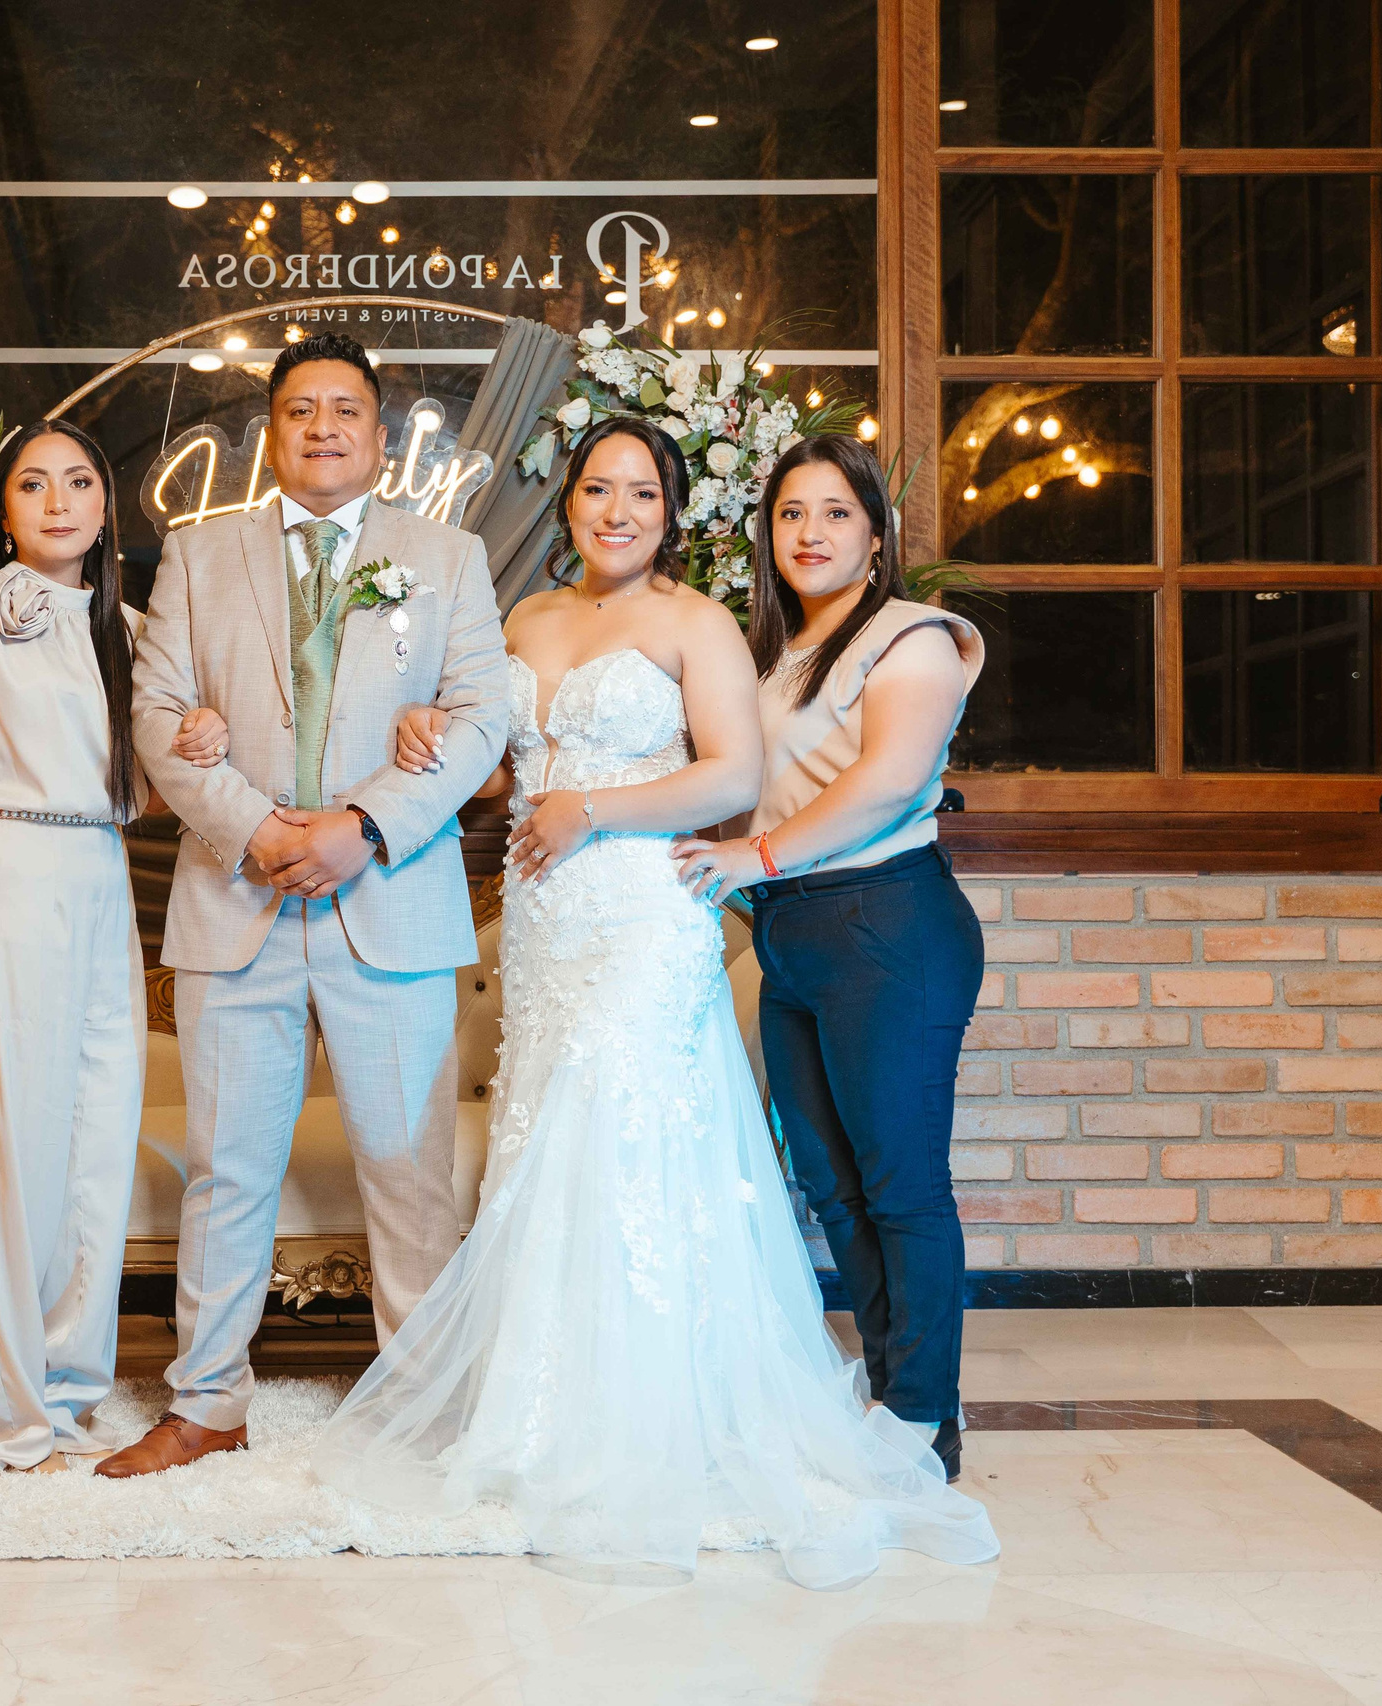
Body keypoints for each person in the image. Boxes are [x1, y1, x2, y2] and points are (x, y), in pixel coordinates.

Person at [308, 416, 999, 1581]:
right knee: (758, 1167)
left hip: (689, 909)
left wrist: (616, 817)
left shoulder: (735, 625)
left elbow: (740, 777)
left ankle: (912, 1411)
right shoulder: (546, 621)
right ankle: (557, 1401)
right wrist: (426, 725)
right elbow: (501, 765)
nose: (615, 508)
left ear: (674, 512)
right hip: (561, 924)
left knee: (801, 1163)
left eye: (641, 490)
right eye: (595, 488)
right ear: (569, 501)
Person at [105, 332, 511, 1479]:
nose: (323, 426)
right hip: (235, 896)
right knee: (227, 1165)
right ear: (270, 433)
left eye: (345, 409)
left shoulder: (446, 555)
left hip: (389, 895)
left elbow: (482, 713)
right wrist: (259, 827)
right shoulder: (197, 552)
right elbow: (155, 709)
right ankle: (207, 1403)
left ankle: (423, 1406)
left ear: (380, 437)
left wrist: (360, 825)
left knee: (406, 1160)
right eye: (299, 410)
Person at [669, 432, 988, 1484]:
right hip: (793, 931)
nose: (810, 532)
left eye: (835, 513)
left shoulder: (912, 638)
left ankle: (922, 1417)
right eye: (791, 513)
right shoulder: (772, 653)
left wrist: (750, 854)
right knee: (829, 1184)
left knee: (900, 1183)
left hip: (885, 924)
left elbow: (891, 781)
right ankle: (894, 1387)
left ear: (876, 534)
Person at [0, 419, 222, 1473]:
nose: (58, 500)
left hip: (98, 883)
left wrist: (197, 735)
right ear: (1, 507)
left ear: (106, 505)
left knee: (96, 1141)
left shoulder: (130, 629)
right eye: (33, 483)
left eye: (80, 480)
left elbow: (133, 795)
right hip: (9, 877)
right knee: (13, 1146)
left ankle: (68, 1383)